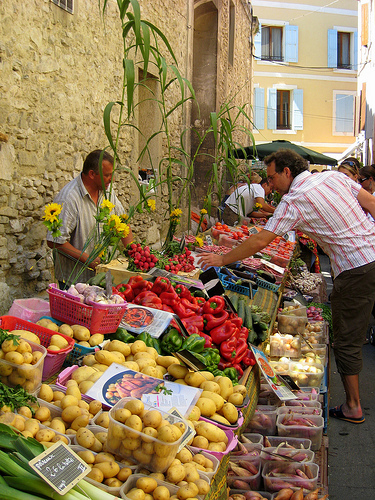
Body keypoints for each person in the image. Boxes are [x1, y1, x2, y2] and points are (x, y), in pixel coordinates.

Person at [198, 148, 375, 424]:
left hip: (356, 268)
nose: (270, 185)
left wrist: (221, 258)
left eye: (272, 177)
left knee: (346, 339)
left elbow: (259, 242)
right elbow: (372, 205)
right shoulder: (334, 178)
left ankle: (353, 406)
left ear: (286, 172)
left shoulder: (293, 201)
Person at [46, 149, 133, 286]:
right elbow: (55, 241)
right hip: (75, 283)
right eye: (107, 175)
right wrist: (87, 259)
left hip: (104, 279)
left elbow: (123, 222)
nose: (113, 179)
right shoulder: (69, 198)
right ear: (92, 174)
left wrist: (133, 253)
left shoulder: (107, 190)